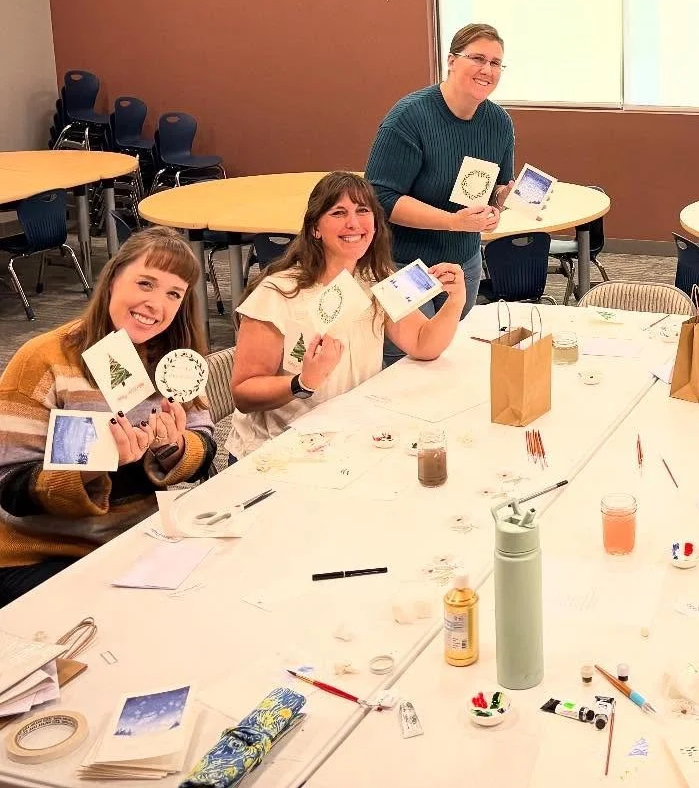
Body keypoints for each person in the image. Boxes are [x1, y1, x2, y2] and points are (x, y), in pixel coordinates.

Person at [0, 227, 216, 606]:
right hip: (42, 551)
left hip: (133, 540)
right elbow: (9, 487)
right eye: (145, 283)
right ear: (114, 278)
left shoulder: (173, 362)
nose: (156, 304)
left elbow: (204, 442)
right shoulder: (44, 359)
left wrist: (175, 448)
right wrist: (93, 464)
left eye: (173, 294)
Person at [227, 172, 465, 461]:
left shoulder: (377, 280)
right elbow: (244, 392)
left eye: (362, 211)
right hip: (279, 451)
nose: (353, 223)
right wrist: (303, 382)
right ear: (315, 228)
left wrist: (455, 301)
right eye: (338, 213)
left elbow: (422, 344)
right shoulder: (278, 292)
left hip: (349, 439)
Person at [366, 23, 515, 361]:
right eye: (477, 58)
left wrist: (499, 204)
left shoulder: (499, 123)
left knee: (449, 358)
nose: (486, 70)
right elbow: (380, 199)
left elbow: (493, 190)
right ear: (450, 60)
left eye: (495, 63)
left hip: (463, 263)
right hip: (403, 265)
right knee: (401, 363)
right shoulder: (409, 117)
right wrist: (452, 221)